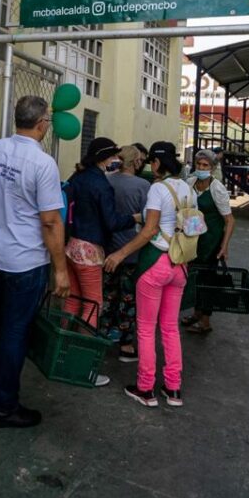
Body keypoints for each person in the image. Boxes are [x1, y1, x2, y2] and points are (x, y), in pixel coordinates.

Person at [0, 95, 70, 428]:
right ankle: (4, 407)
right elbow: (51, 221)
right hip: (24, 263)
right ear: (41, 124)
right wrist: (61, 269)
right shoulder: (43, 164)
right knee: (14, 331)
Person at [104, 142, 193, 408]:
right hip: (180, 265)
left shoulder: (157, 189)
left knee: (145, 329)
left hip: (155, 263)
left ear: (156, 163)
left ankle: (145, 388)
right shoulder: (188, 188)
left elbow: (148, 230)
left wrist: (120, 254)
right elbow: (191, 226)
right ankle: (173, 388)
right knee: (169, 328)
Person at [64, 137, 138, 387]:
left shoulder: (77, 178)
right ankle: (83, 366)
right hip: (90, 251)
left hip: (71, 246)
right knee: (93, 304)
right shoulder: (101, 185)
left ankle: (63, 354)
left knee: (74, 301)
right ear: (104, 158)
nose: (116, 161)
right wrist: (134, 218)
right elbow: (112, 222)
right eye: (113, 156)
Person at [103, 145, 150, 361]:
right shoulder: (143, 185)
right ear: (136, 162)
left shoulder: (108, 179)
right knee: (128, 298)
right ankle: (126, 345)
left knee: (108, 294)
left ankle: (102, 336)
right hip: (131, 248)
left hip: (108, 245)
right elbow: (148, 217)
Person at [181, 149, 235, 334]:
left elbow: (229, 220)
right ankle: (197, 313)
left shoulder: (216, 188)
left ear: (212, 169)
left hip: (211, 241)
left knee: (207, 280)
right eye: (199, 164)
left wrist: (224, 245)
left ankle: (205, 322)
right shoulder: (190, 182)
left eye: (205, 166)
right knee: (195, 277)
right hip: (193, 238)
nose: (201, 168)